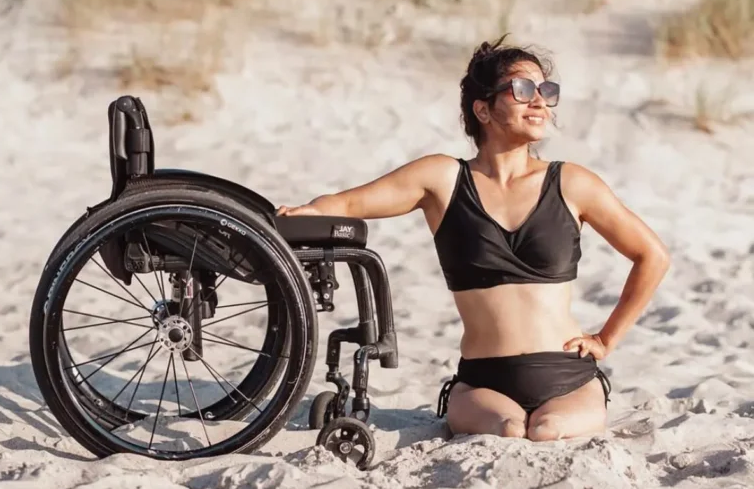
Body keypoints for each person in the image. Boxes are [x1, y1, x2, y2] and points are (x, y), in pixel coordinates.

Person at [276, 37, 671, 441]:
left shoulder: (571, 182)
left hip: (568, 375)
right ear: (482, 108)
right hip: (484, 381)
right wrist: (308, 209)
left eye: (546, 91)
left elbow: (651, 255)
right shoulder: (442, 180)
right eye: (522, 90)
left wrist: (606, 339)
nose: (539, 102)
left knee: (548, 431)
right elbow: (351, 202)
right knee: (509, 430)